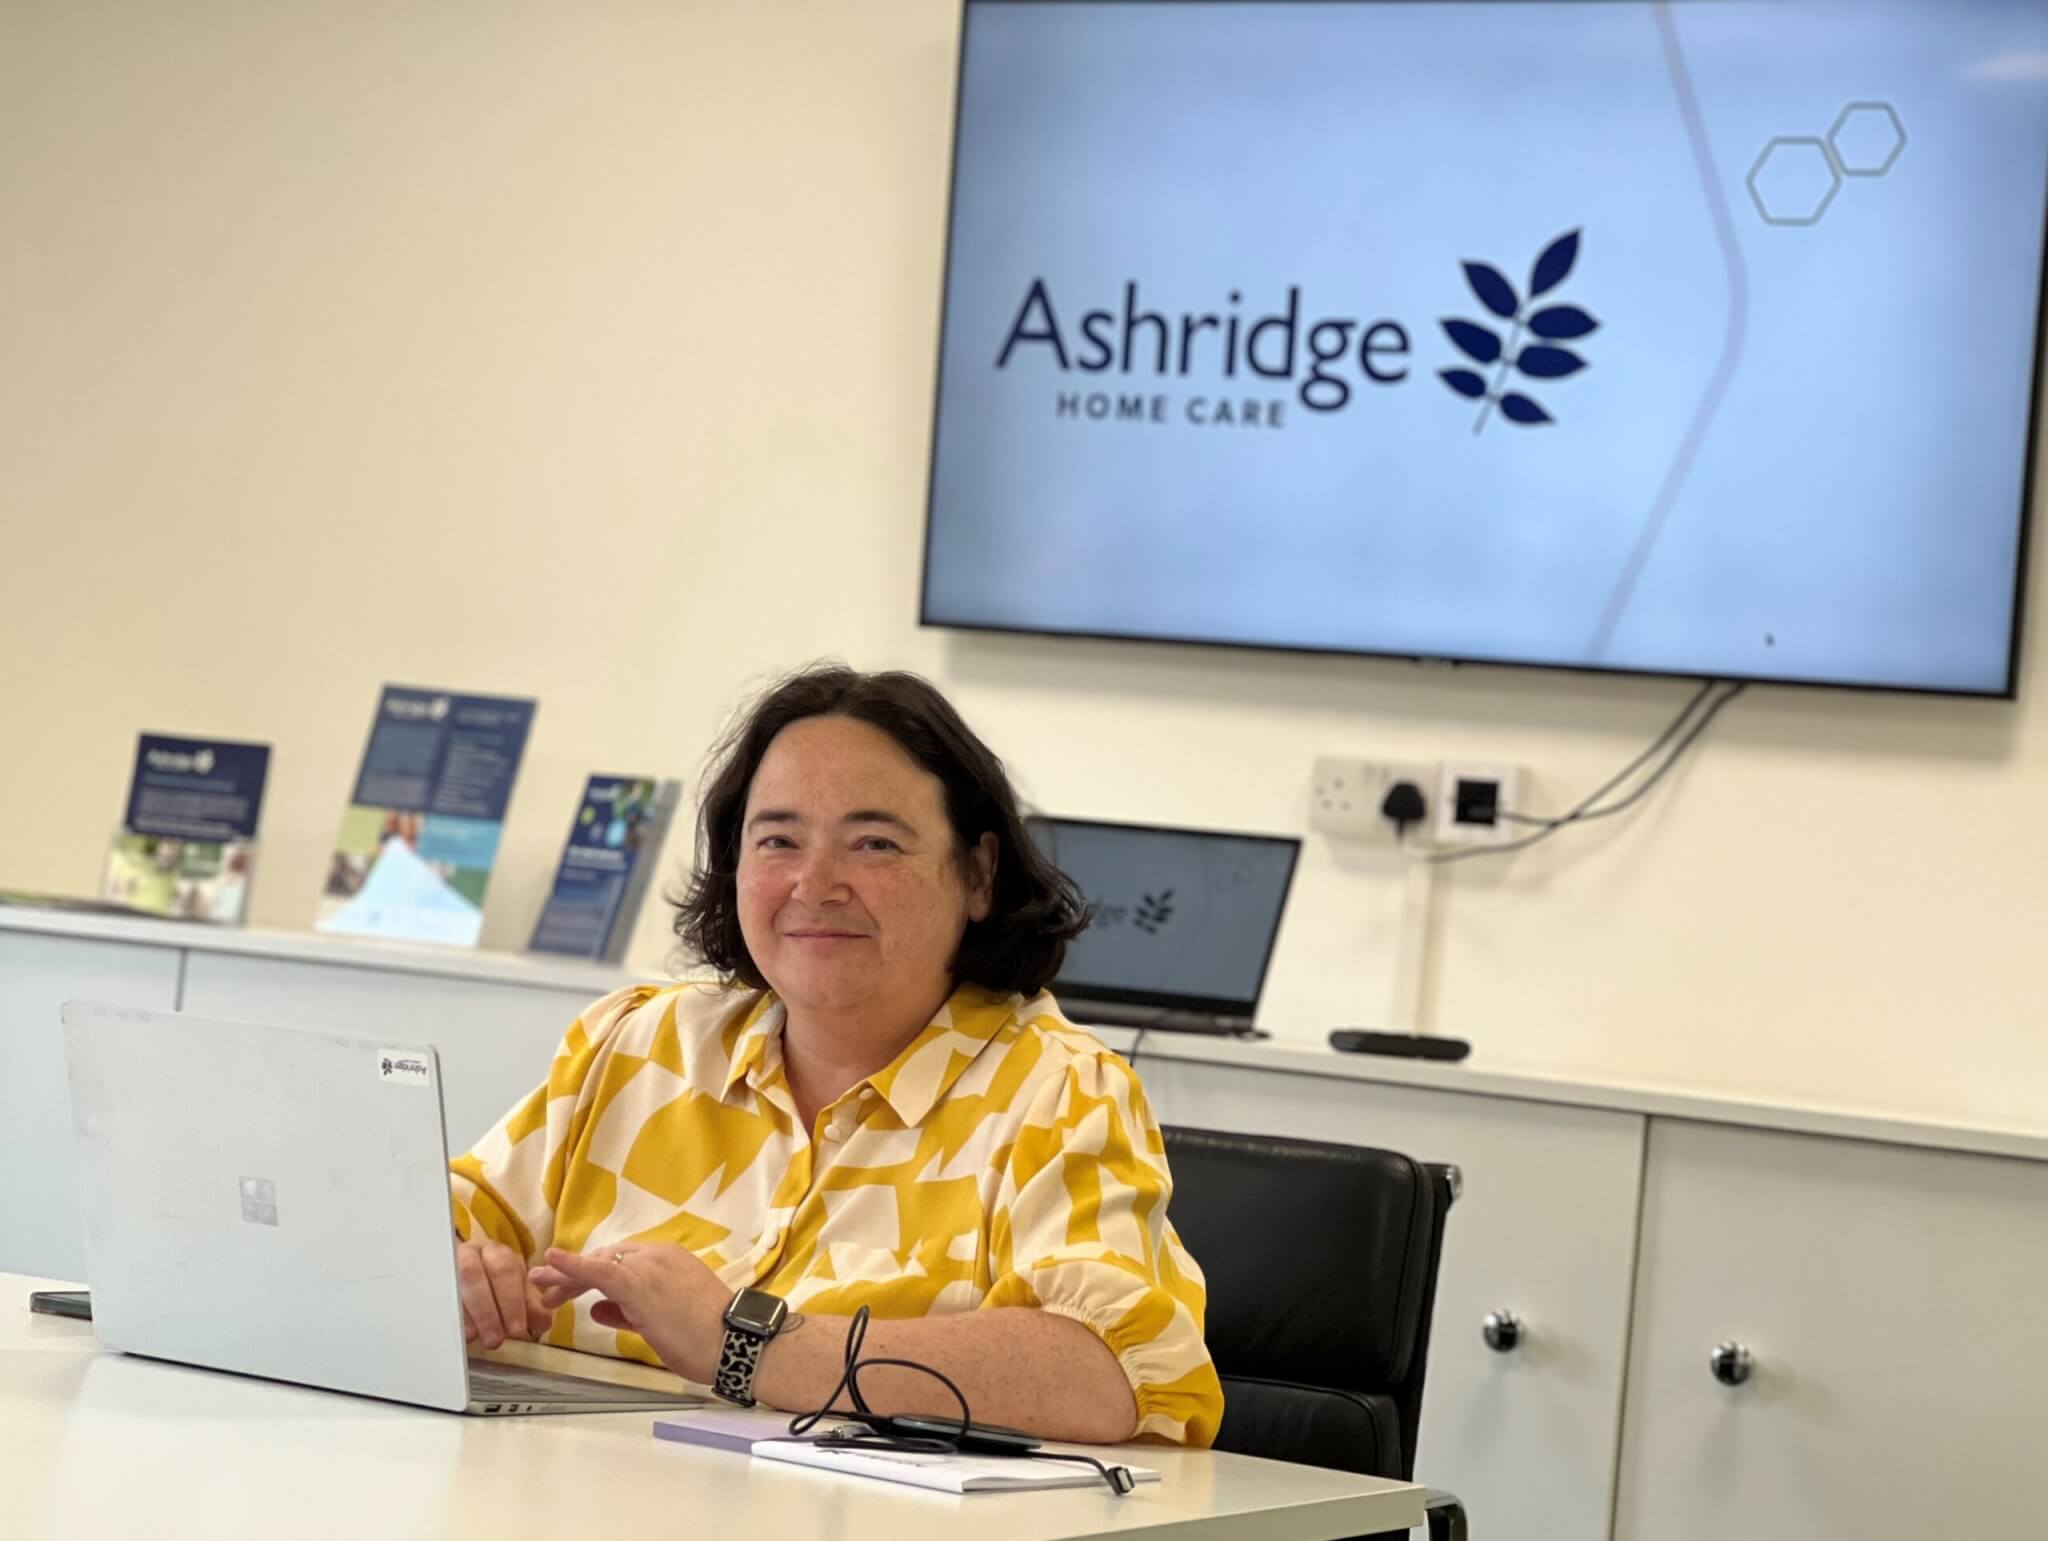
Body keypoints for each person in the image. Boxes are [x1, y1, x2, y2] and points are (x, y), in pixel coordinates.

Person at [449, 665, 1222, 1446]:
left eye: (874, 843)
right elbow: (416, 1225)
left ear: (979, 874)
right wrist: (453, 1277)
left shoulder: (1058, 1092)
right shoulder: (636, 1044)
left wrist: (740, 1341)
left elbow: (1105, 1373)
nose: (814, 884)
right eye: (778, 839)